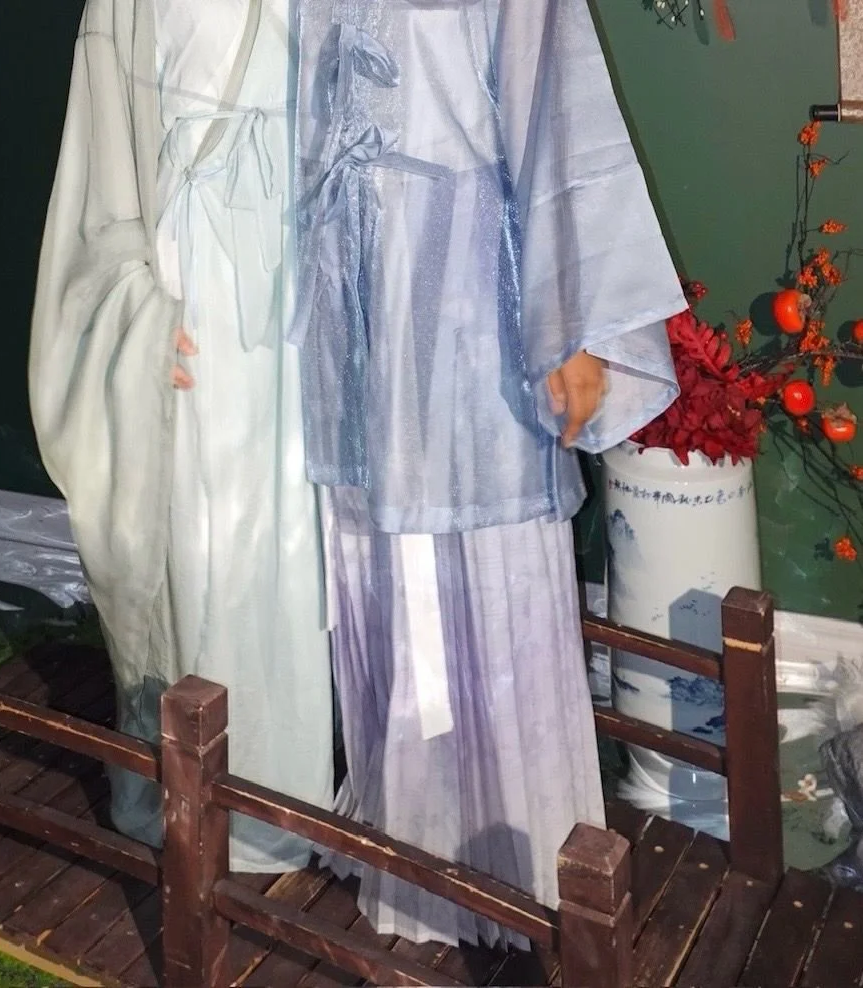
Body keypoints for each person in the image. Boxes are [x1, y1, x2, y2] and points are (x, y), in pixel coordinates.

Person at [292, 0, 684, 947]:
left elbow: (558, 110)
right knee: (380, 552)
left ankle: (525, 855)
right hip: (350, 297)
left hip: (466, 293)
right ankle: (409, 828)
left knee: (486, 547)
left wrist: (577, 330)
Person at [28, 0, 332, 873]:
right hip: (189, 277)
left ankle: (289, 794)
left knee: (290, 543)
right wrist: (136, 313)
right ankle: (198, 803)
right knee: (202, 544)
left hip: (296, 272)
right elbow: (98, 172)